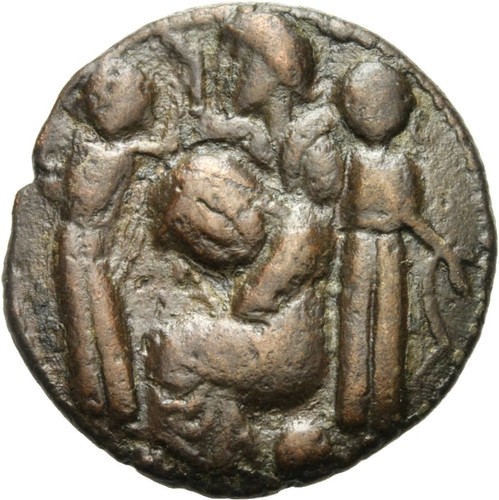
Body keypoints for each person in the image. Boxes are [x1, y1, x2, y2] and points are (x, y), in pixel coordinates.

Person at [334, 62, 467, 431]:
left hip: (391, 247)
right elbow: (334, 208)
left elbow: (409, 215)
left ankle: (387, 404)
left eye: (383, 105)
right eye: (365, 105)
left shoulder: (401, 164)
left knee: (389, 323)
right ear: (350, 108)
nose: (374, 114)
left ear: (403, 108)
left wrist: (443, 248)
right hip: (358, 246)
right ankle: (352, 405)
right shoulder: (350, 160)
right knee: (354, 321)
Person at [59, 58, 174, 418]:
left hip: (93, 251)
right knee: (92, 322)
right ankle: (103, 398)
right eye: (139, 91)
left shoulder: (107, 149)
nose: (145, 97)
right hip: (82, 251)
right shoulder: (101, 150)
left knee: (99, 320)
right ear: (106, 102)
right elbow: (155, 145)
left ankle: (114, 398)